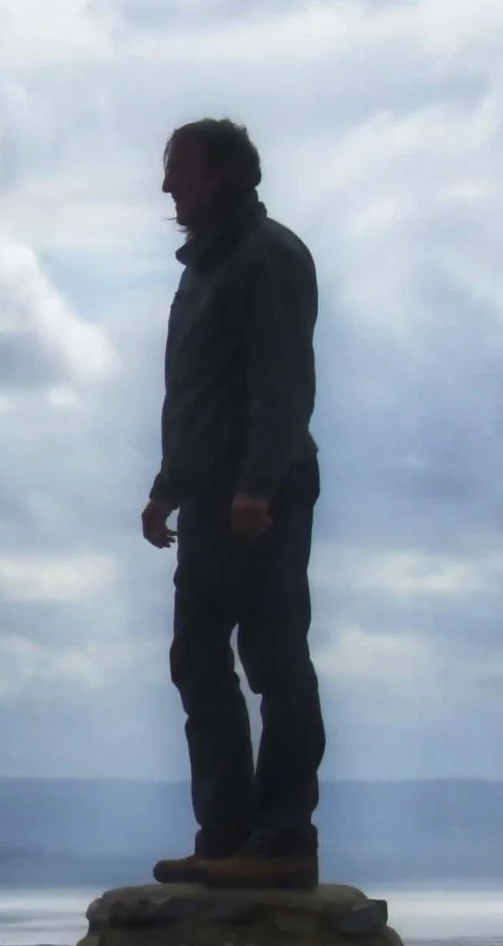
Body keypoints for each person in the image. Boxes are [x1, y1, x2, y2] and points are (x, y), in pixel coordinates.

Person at [140, 118, 325, 892]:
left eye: (178, 169)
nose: (166, 186)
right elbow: (196, 393)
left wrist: (255, 485)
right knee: (196, 661)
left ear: (221, 175)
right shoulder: (204, 269)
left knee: (274, 661)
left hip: (260, 497)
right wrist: (166, 487)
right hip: (209, 499)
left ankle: (282, 838)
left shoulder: (269, 258)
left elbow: (280, 383)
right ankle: (226, 834)